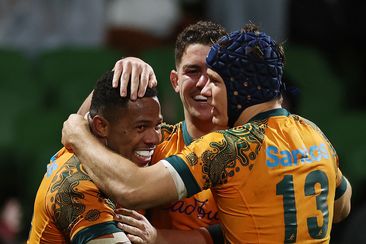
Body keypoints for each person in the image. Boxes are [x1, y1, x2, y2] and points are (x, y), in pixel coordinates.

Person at [62, 23, 352, 243]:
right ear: (175, 81)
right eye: (194, 73)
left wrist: (76, 131)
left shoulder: (228, 147)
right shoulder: (313, 134)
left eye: (214, 80)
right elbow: (341, 206)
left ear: (239, 87)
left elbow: (132, 188)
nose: (206, 88)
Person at [77, 21, 227, 243]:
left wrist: (159, 238)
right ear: (175, 81)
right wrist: (122, 71)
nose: (203, 84)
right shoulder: (155, 142)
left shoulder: (246, 149)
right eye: (193, 71)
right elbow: (79, 145)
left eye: (214, 73)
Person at [27, 71, 162, 243]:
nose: (154, 139)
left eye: (157, 126)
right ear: (101, 126)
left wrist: (125, 67)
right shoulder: (76, 186)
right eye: (141, 127)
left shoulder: (123, 146)